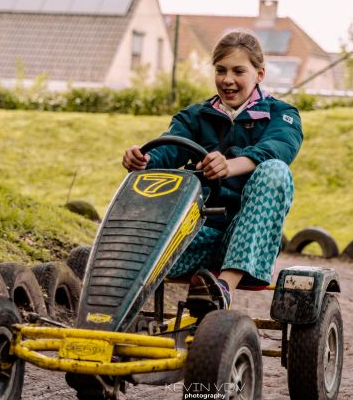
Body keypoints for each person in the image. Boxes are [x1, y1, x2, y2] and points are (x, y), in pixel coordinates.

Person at [122, 30, 303, 313]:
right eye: (221, 70)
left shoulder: (281, 115)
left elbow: (278, 148)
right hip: (199, 229)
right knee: (137, 247)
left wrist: (229, 166)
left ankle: (223, 288)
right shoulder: (196, 116)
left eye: (238, 71)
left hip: (246, 233)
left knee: (275, 171)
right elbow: (169, 151)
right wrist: (144, 159)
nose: (228, 79)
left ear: (259, 74)